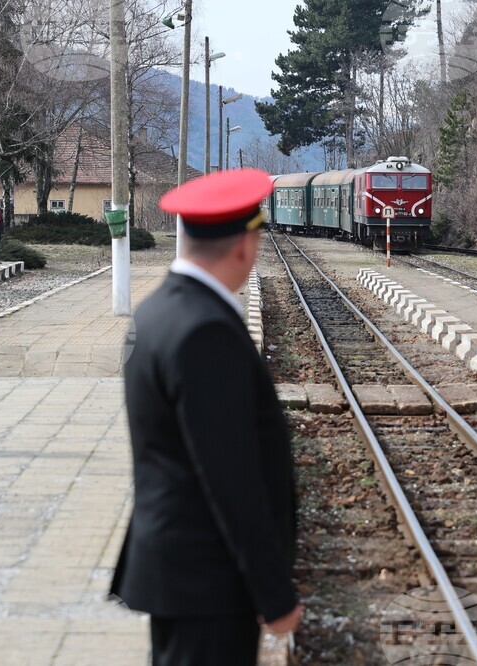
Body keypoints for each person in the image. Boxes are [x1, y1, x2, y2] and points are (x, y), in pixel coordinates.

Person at [110, 168, 302, 666]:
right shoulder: (205, 331)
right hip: (209, 581)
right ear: (243, 245)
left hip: (185, 576)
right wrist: (273, 592)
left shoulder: (157, 311)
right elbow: (230, 477)